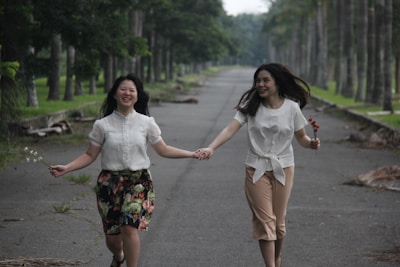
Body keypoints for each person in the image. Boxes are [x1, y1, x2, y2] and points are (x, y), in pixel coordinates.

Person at [49, 74, 201, 267]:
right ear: (114, 94)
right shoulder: (102, 125)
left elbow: (163, 149)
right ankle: (119, 254)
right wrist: (67, 167)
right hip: (109, 183)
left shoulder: (147, 123)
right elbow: (89, 155)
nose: (127, 93)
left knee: (129, 227)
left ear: (137, 96)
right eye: (123, 89)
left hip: (138, 182)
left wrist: (191, 154)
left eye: (132, 90)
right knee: (113, 236)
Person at [198, 63, 320, 267]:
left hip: (284, 168)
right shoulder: (251, 106)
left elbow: (301, 138)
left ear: (277, 82)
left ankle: (277, 258)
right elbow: (230, 129)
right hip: (256, 168)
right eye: (258, 80)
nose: (260, 84)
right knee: (265, 221)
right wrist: (211, 148)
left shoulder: (291, 108)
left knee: (279, 223)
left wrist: (311, 144)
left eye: (266, 80)